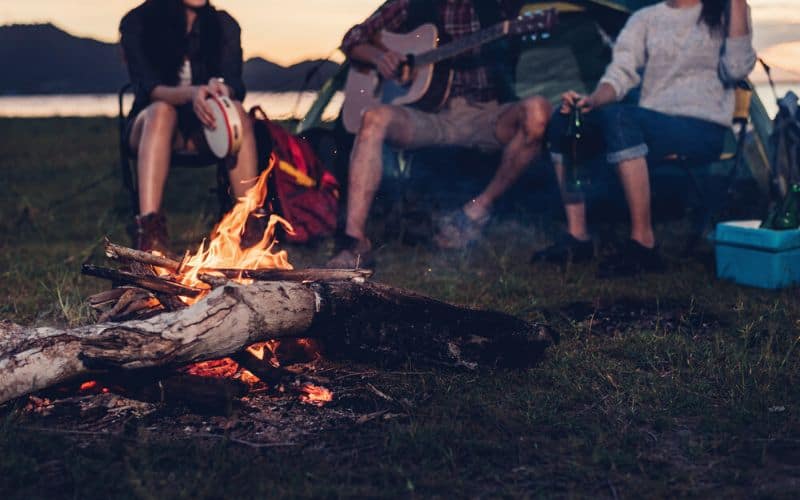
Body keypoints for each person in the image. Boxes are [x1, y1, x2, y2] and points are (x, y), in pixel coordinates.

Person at [533, 0, 756, 276]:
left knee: (622, 119)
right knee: (564, 118)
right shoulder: (646, 18)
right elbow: (620, 75)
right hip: (652, 123)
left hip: (702, 128)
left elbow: (737, 69)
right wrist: (591, 100)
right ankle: (577, 237)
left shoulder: (726, 11)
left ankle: (643, 243)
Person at [327, 0, 552, 268]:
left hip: (487, 114)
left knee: (538, 111)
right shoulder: (410, 3)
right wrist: (380, 57)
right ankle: (354, 242)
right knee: (374, 118)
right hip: (429, 116)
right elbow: (353, 38)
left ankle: (477, 210)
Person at [120, 0, 259, 253]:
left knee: (238, 112)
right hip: (150, 126)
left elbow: (236, 84)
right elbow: (148, 89)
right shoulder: (137, 21)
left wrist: (221, 90)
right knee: (162, 112)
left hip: (204, 128)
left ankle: (249, 225)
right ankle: (149, 232)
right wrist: (192, 93)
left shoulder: (223, 24)